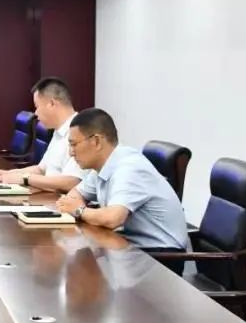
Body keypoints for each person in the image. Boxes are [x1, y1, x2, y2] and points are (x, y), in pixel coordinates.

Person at [54, 108, 189, 271]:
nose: (71, 152)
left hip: (161, 258)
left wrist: (79, 210)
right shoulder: (104, 165)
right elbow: (75, 194)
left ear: (96, 141)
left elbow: (113, 218)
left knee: (80, 267)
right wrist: (77, 207)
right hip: (131, 248)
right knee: (79, 261)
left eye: (74, 144)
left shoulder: (128, 168)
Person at [0, 77, 85, 193]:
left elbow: (71, 182)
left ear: (51, 104)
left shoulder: (80, 131)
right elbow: (41, 170)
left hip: (61, 200)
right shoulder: (59, 131)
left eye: (37, 107)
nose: (36, 114)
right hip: (48, 196)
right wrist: (7, 174)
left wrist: (25, 179)